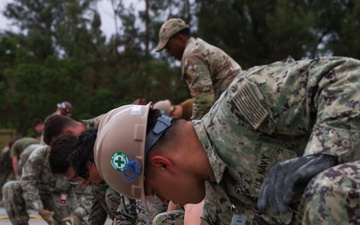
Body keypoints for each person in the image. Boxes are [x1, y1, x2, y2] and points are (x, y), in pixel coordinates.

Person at [93, 56, 360, 224]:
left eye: (155, 191)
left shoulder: (243, 104)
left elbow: (344, 76)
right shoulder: (218, 198)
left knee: (328, 192)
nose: (163, 198)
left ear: (163, 164)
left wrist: (322, 154)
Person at [49, 129, 168, 224]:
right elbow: (123, 214)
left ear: (94, 159)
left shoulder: (132, 165)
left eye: (81, 174)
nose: (81, 182)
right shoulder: (114, 177)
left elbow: (150, 217)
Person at [155, 18, 242, 119]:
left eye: (169, 47)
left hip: (236, 106)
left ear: (180, 39)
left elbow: (204, 103)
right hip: (239, 99)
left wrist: (194, 127)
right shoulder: (197, 46)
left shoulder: (191, 55)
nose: (169, 53)